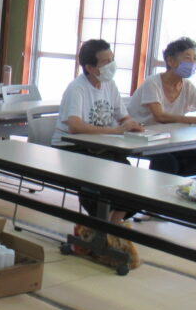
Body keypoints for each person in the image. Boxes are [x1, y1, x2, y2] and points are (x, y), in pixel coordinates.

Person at [53, 38, 143, 223]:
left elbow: (123, 117)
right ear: (90, 67)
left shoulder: (110, 85)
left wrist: (133, 125)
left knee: (132, 178)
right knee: (102, 176)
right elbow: (75, 126)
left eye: (112, 59)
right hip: (71, 148)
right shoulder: (77, 88)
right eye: (106, 61)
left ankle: (111, 226)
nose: (112, 65)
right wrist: (116, 131)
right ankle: (101, 226)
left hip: (101, 146)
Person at [127, 37, 196, 175]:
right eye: (187, 58)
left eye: (195, 58)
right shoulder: (152, 83)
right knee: (168, 162)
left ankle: (184, 188)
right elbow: (160, 117)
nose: (193, 63)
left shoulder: (187, 86)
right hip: (141, 136)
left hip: (167, 138)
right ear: (170, 61)